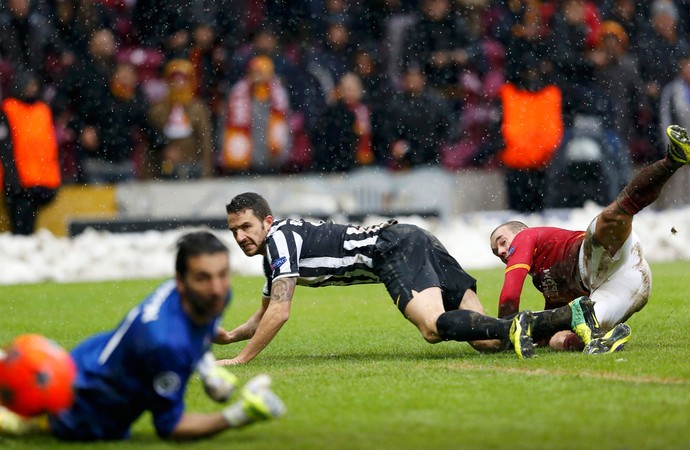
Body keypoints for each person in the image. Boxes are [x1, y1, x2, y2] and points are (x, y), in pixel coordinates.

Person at [213, 192, 607, 364]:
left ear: (266, 220)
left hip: (394, 247)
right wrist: (231, 335)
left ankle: (533, 325)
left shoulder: (280, 240)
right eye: (234, 231)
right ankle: (568, 319)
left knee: (434, 328)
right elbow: (265, 311)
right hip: (414, 238)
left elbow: (279, 313)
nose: (240, 237)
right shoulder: (278, 250)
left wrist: (241, 359)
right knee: (489, 339)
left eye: (246, 227)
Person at [0, 231, 285, 441]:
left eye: (223, 274)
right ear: (180, 280)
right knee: (23, 425)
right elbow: (170, 427)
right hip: (90, 410)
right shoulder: (164, 343)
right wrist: (240, 414)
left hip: (83, 359)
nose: (217, 288)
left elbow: (200, 330)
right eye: (203, 277)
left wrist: (207, 372)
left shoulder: (208, 296)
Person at [489, 124, 690, 352]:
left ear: (519, 231)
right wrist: (539, 335)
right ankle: (604, 339)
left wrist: (502, 331)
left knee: (612, 216)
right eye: (497, 253)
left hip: (593, 258)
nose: (503, 252)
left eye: (502, 242)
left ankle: (671, 161)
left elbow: (509, 297)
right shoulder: (543, 281)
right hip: (632, 284)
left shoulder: (526, 237)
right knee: (561, 339)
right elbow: (554, 317)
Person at [0, 71, 61, 235]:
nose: (32, 89)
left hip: (39, 180)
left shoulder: (42, 110)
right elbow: (5, 148)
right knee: (19, 226)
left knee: (29, 226)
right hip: (17, 180)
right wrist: (12, 177)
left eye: (34, 85)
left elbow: (49, 147)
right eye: (28, 85)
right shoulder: (8, 109)